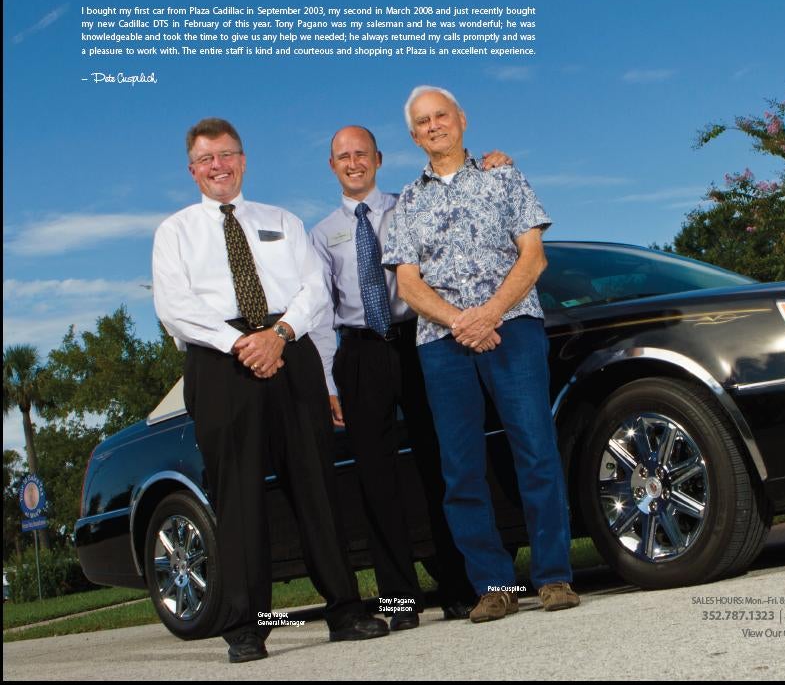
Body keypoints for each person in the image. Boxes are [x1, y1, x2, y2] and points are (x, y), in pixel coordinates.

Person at [152, 118, 388, 663]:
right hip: (219, 364)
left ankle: (345, 611)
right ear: (193, 170)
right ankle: (245, 627)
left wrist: (278, 335)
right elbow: (175, 307)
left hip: (290, 351)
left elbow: (313, 289)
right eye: (208, 159)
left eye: (228, 155)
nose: (219, 166)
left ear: (243, 160)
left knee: (317, 486)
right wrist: (241, 344)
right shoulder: (175, 233)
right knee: (237, 497)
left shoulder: (282, 220)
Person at [383, 86, 580, 624]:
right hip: (442, 344)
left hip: (512, 327)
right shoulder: (407, 203)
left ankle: (554, 576)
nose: (433, 126)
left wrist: (490, 313)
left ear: (461, 120)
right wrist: (460, 322)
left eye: (440, 115)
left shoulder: (503, 177)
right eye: (422, 121)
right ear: (413, 135)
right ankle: (493, 585)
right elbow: (407, 283)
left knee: (534, 448)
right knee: (461, 467)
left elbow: (533, 257)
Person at [306, 125, 512, 629]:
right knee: (375, 478)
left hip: (420, 339)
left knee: (443, 460)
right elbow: (321, 313)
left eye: (361, 153)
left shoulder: (411, 203)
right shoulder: (321, 232)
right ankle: (400, 602)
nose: (353, 162)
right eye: (342, 156)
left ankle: (462, 589)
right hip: (359, 353)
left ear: (377, 158)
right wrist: (331, 383)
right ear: (332, 166)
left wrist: (493, 166)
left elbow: (456, 194)